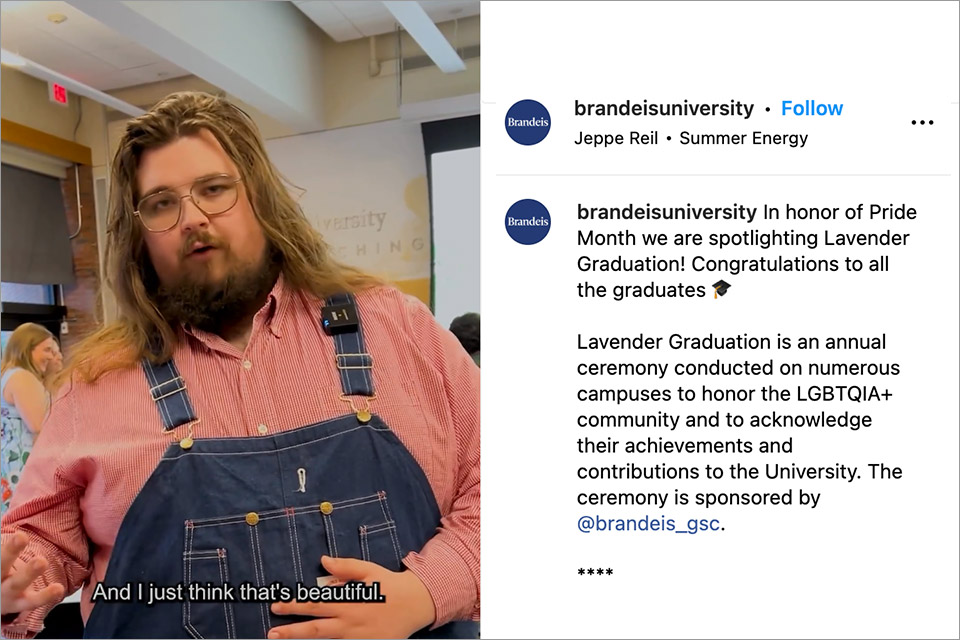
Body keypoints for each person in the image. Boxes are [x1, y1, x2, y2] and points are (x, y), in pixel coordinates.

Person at [0, 92, 479, 640]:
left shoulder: (396, 330)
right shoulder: (94, 388)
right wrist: (12, 585)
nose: (193, 218)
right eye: (161, 203)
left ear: (259, 195)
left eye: (214, 189)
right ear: (139, 236)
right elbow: (38, 546)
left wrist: (427, 591)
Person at [1, 324, 59, 516]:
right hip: (23, 464)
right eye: (47, 350)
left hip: (11, 462)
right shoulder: (22, 376)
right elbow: (39, 424)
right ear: (27, 348)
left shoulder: (10, 375)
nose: (52, 356)